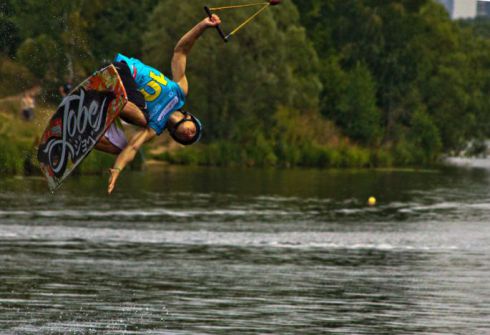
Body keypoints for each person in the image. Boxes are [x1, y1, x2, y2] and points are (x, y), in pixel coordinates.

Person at [96, 14, 222, 194]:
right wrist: (203, 25)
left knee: (120, 147)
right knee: (142, 119)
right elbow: (181, 51)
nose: (188, 135)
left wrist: (117, 170)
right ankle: (107, 98)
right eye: (192, 131)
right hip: (121, 71)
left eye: (187, 139)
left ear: (175, 136)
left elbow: (133, 148)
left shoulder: (155, 127)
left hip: (112, 86)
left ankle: (89, 132)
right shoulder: (180, 92)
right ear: (189, 117)